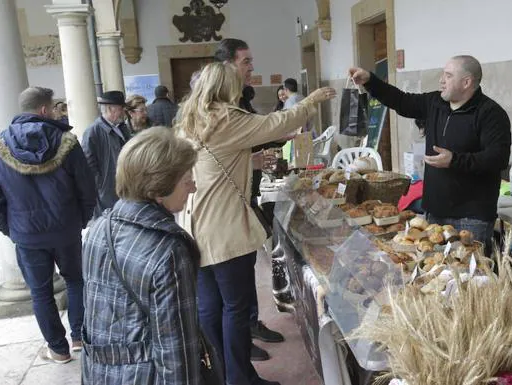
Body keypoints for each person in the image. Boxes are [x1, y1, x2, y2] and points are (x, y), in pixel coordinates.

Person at [176, 62, 335, 385]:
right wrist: (311, 101)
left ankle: (226, 375)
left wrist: (247, 161)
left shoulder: (190, 121)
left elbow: (208, 163)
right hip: (225, 229)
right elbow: (277, 122)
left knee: (210, 308)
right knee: (235, 309)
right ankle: (239, 378)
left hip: (194, 226)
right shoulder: (227, 117)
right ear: (228, 87)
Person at [349, 55, 511, 250]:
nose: (441, 80)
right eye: (443, 74)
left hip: (471, 218)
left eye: (448, 76)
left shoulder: (490, 114)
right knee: (435, 272)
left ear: (466, 82)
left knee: (469, 275)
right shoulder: (435, 102)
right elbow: (401, 101)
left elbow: (497, 158)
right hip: (434, 212)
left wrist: (455, 160)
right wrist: (370, 81)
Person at [81, 127, 204, 384]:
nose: (193, 188)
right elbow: (176, 351)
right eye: (186, 180)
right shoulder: (169, 252)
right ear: (159, 190)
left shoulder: (98, 229)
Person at [0, 86, 96, 363]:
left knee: (41, 293)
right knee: (76, 281)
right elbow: (87, 188)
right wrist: (81, 220)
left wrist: (11, 228)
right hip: (66, 229)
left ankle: (58, 349)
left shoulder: (1, 146)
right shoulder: (66, 141)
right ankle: (79, 337)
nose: (55, 111)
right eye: (53, 107)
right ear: (43, 110)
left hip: (27, 235)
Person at [213, 37, 285, 362]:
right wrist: (278, 133)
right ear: (228, 65)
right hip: (227, 208)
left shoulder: (240, 99)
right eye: (246, 62)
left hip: (244, 194)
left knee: (244, 276)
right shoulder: (222, 108)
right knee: (232, 293)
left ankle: (248, 329)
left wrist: (259, 154)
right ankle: (239, 349)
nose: (252, 68)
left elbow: (245, 144)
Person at [82, 90, 133, 219]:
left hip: (124, 184)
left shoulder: (122, 127)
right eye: (121, 108)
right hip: (107, 191)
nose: (123, 112)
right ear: (110, 109)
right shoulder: (93, 131)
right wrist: (101, 186)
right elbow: (88, 163)